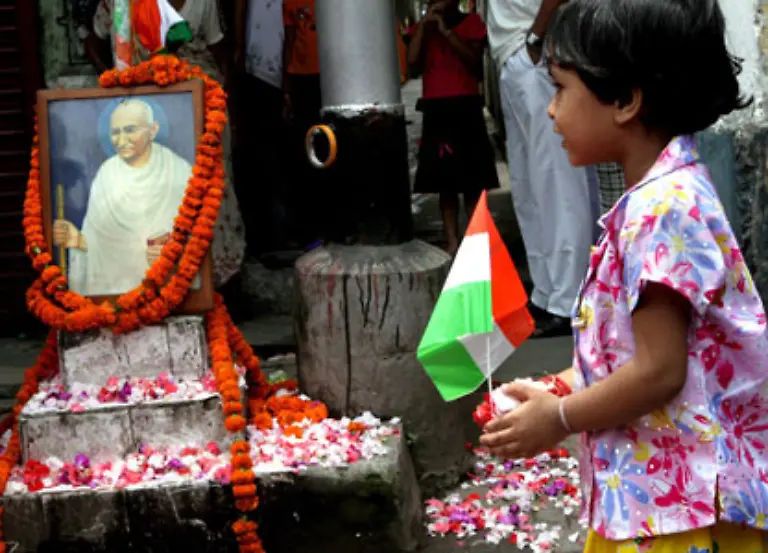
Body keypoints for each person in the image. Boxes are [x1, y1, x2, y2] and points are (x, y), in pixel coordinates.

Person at [480, 1, 767, 552]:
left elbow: (660, 371)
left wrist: (560, 417)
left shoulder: (663, 209)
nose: (550, 110)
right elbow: (632, 352)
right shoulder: (658, 197)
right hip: (654, 499)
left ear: (625, 101)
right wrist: (560, 385)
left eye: (561, 88)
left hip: (676, 513)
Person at [88, 0, 246, 288]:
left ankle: (214, 278)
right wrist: (114, 84)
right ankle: (160, 276)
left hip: (201, 103)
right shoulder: (120, 4)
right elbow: (93, 41)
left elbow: (220, 53)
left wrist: (228, 109)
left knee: (208, 185)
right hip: (150, 106)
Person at [487, 0, 600, 337]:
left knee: (558, 185)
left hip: (536, 55)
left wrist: (536, 40)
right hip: (517, 58)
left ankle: (567, 300)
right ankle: (546, 294)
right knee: (529, 189)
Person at [54, 100, 192, 296]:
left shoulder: (179, 171)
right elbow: (101, 241)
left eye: (130, 130)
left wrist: (172, 254)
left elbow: (196, 238)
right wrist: (79, 241)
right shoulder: (107, 174)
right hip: (115, 293)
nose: (121, 140)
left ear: (153, 130)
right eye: (115, 132)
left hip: (168, 290)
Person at [408, 0, 499, 257]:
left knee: (472, 182)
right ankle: (452, 241)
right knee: (444, 183)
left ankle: (476, 240)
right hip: (436, 109)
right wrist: (424, 27)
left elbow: (474, 62)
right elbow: (412, 62)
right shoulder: (423, 28)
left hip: (465, 106)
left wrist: (447, 32)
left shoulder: (471, 23)